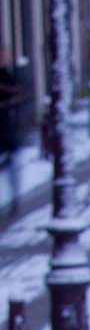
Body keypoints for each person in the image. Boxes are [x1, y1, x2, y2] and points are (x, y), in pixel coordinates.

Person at [0, 50, 26, 222]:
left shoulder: (8, 75)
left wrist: (9, 102)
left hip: (8, 128)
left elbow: (21, 93)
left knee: (13, 168)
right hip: (5, 128)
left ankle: (14, 198)